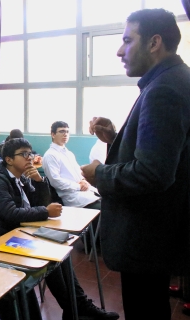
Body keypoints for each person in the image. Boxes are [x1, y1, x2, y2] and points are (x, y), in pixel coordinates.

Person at [80, 9, 190, 320]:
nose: (119, 50)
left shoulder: (163, 90)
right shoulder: (176, 79)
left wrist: (99, 173)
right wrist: (114, 138)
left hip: (147, 237)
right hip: (162, 232)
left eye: (128, 40)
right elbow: (169, 153)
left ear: (155, 42)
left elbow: (152, 173)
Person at [0, 138, 119, 320]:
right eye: (24, 154)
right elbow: (12, 214)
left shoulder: (22, 177)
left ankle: (78, 306)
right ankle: (76, 306)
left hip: (23, 234)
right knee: (53, 258)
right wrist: (45, 211)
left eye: (30, 153)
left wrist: (38, 181)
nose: (29, 158)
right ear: (9, 159)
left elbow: (42, 204)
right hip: (4, 242)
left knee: (60, 253)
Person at [43, 121, 100, 210]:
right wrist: (78, 186)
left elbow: (79, 172)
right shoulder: (50, 155)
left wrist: (83, 180)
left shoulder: (69, 153)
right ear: (53, 134)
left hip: (86, 192)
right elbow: (55, 181)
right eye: (62, 131)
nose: (65, 134)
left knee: (113, 203)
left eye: (67, 132)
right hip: (74, 197)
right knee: (106, 209)